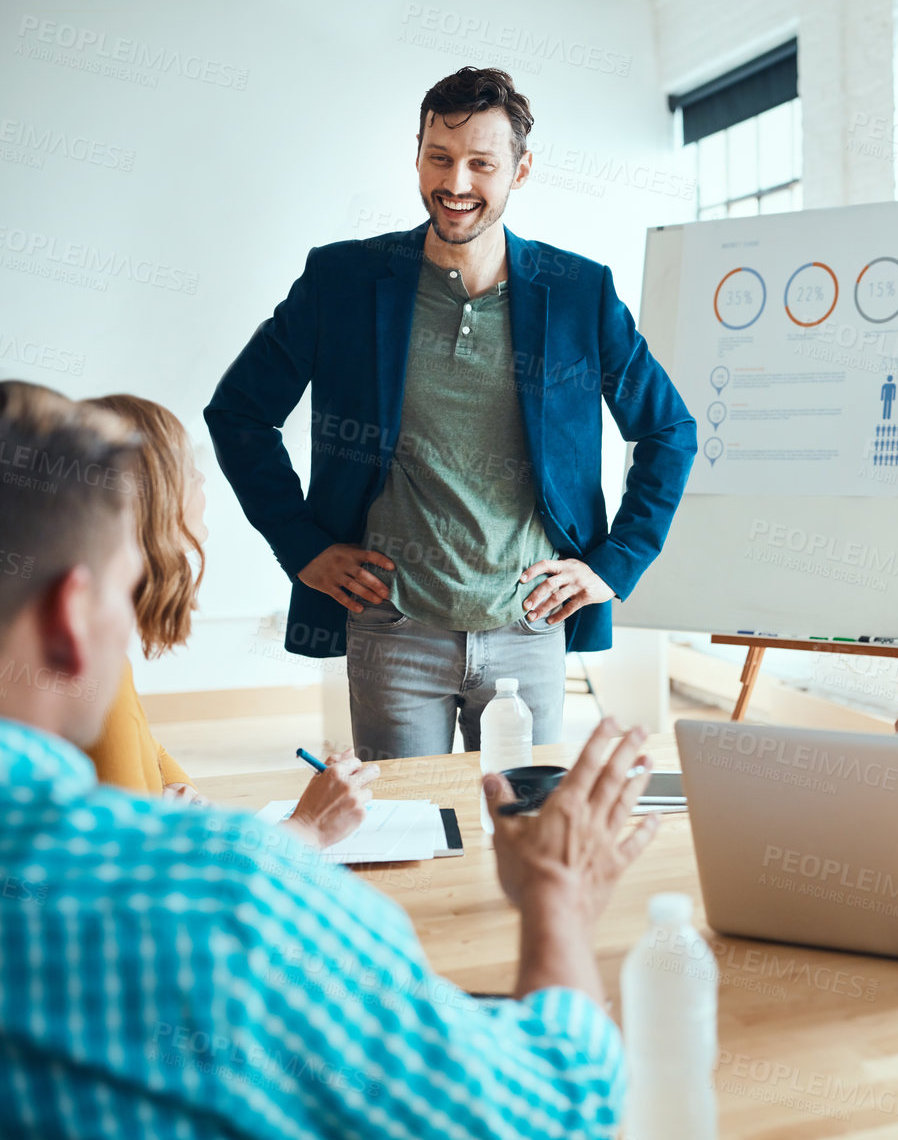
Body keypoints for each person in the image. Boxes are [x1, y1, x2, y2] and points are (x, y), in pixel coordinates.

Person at [0, 380, 658, 1136]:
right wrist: (559, 904)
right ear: (69, 618)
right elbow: (553, 1111)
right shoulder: (231, 898)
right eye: (124, 585)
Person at [206, 66, 696, 762]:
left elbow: (668, 430)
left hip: (529, 628)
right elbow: (240, 412)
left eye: (481, 164)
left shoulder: (579, 292)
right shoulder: (342, 281)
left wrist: (614, 565)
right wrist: (301, 544)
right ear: (417, 154)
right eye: (439, 157)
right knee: (407, 845)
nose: (456, 182)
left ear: (520, 172)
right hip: (393, 628)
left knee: (517, 843)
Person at [82, 393, 375, 848]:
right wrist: (307, 828)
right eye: (185, 467)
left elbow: (147, 751)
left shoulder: (101, 645)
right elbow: (132, 870)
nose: (201, 477)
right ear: (149, 500)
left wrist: (183, 801)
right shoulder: (91, 666)